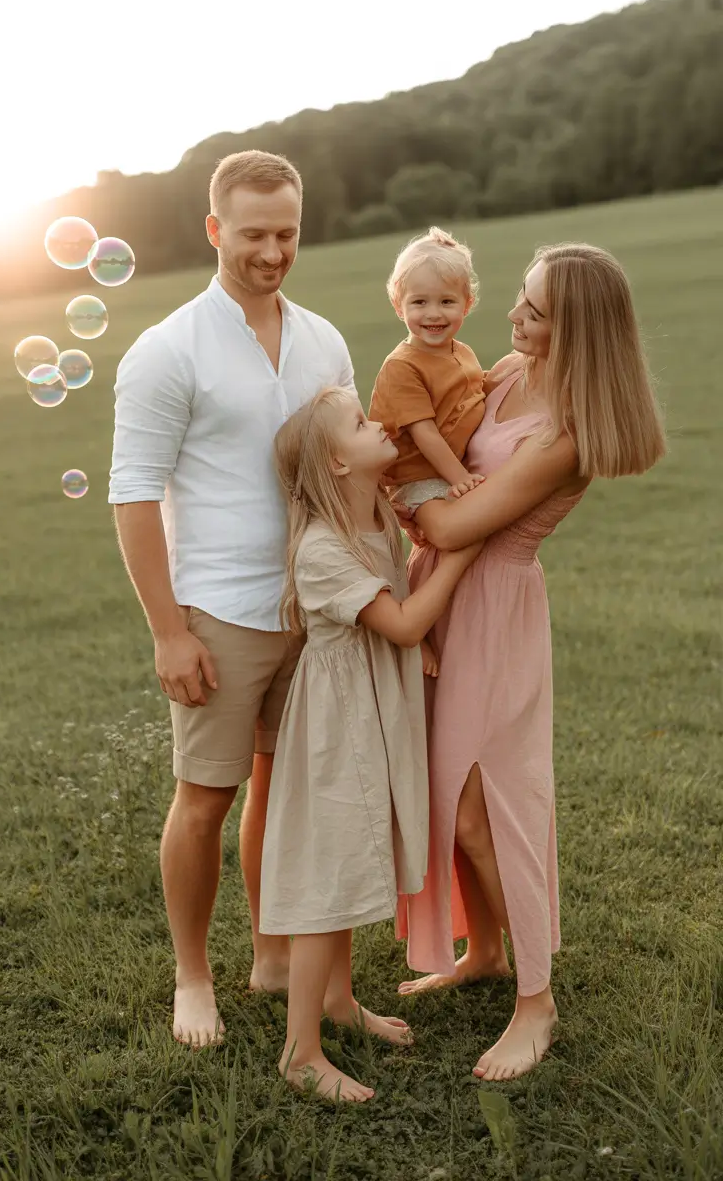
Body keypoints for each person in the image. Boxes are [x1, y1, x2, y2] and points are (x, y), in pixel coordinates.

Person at [395, 243, 666, 1081]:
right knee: (452, 788)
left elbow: (450, 528)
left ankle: (536, 1003)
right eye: (520, 296)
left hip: (496, 608)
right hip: (445, 598)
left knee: (497, 803)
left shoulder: (567, 436)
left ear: (576, 328)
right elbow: (430, 441)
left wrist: (411, 506)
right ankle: (483, 954)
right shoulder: (509, 370)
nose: (513, 315)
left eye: (537, 309)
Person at [109, 150, 357, 1049]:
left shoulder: (325, 339)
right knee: (205, 799)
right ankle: (192, 976)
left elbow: (348, 462)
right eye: (253, 233)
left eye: (287, 232)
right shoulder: (167, 349)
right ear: (215, 230)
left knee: (288, 791)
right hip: (219, 610)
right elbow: (133, 496)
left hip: (318, 610)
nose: (272, 250)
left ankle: (273, 958)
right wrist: (170, 633)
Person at [259, 387, 482, 1101]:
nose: (379, 422)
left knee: (357, 858)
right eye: (360, 423)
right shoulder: (323, 550)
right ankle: (300, 1052)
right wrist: (465, 544)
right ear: (336, 460)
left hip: (370, 717)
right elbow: (407, 624)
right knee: (331, 873)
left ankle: (337, 1002)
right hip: (337, 731)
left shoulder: (376, 525)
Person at [369, 228, 487, 675]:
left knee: (436, 551)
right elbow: (425, 435)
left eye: (446, 302)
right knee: (448, 533)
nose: (433, 314)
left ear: (467, 304)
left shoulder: (463, 352)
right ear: (399, 306)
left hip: (443, 472)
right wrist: (459, 479)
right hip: (413, 478)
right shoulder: (403, 366)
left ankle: (436, 632)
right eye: (419, 303)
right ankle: (415, 639)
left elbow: (476, 391)